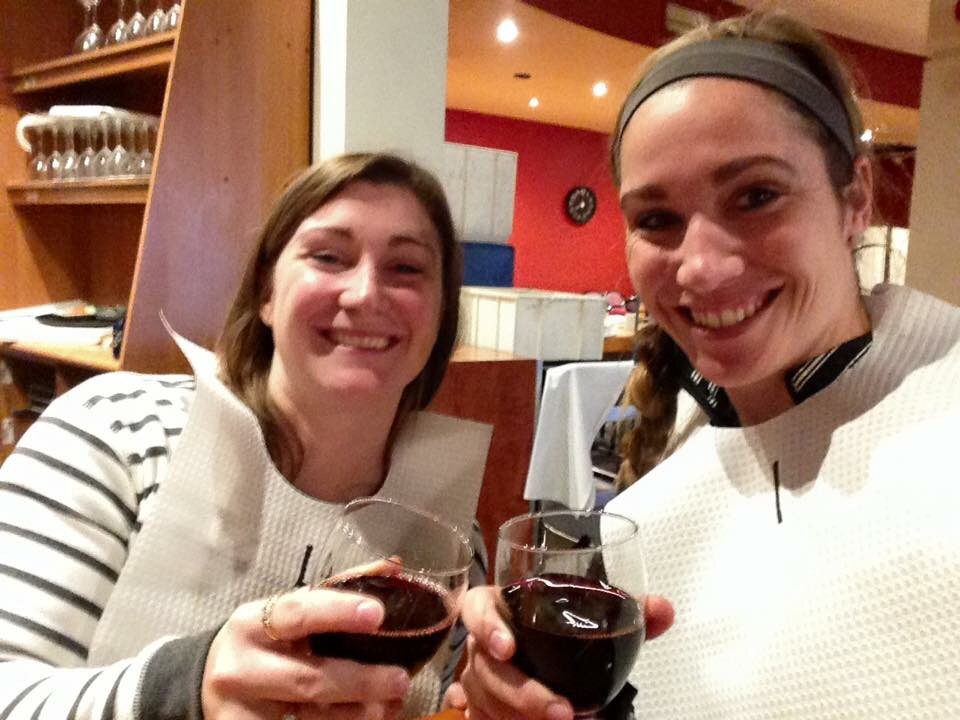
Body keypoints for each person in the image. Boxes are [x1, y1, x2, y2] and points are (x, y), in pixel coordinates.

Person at [451, 9, 960, 719]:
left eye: (756, 196)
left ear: (855, 201)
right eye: (656, 219)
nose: (701, 267)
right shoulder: (643, 520)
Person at [0, 152, 493, 720]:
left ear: (442, 315)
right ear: (266, 293)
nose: (365, 293)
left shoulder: (452, 545)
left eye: (406, 268)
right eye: (328, 256)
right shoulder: (116, 434)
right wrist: (187, 689)